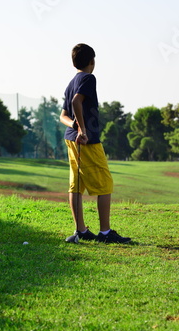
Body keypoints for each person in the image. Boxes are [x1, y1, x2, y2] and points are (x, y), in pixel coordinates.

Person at [59, 43, 131, 244]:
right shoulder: (88, 78)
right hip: (86, 140)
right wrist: (82, 129)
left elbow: (63, 115)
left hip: (70, 139)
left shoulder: (71, 81)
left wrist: (74, 125)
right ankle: (106, 233)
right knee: (104, 183)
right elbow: (76, 102)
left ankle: (80, 230)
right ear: (92, 61)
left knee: (76, 185)